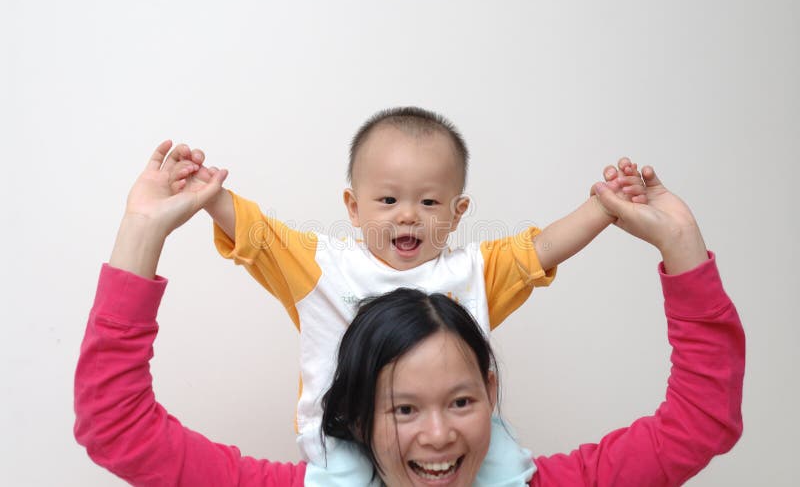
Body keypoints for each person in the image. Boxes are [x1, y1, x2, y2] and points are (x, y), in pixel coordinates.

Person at [74, 141, 744, 486]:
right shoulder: (321, 269)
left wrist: (679, 243)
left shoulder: (476, 275)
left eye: (459, 402)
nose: (437, 438)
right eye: (401, 408)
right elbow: (116, 427)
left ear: (492, 391)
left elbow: (700, 421)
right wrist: (144, 230)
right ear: (356, 413)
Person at [170, 107, 648, 485]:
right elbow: (258, 233)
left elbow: (542, 248)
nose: (407, 216)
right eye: (388, 200)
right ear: (353, 208)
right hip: (345, 434)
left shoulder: (475, 273)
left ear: (458, 212)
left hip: (451, 441)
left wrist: (602, 206)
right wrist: (208, 194)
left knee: (509, 470)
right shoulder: (323, 268)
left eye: (429, 202)